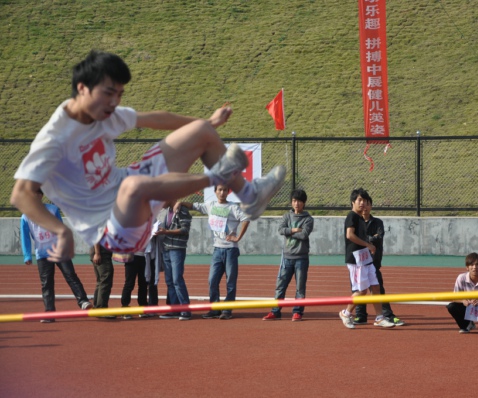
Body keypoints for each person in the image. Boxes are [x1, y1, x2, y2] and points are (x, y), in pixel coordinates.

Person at [11, 50, 285, 265]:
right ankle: (218, 176)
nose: (114, 103)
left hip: (133, 185)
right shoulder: (54, 139)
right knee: (133, 185)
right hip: (114, 228)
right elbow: (20, 194)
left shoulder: (104, 113)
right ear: (82, 88)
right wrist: (61, 231)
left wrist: (209, 120)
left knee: (201, 130)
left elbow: (155, 118)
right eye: (109, 93)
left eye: (119, 95)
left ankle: (249, 196)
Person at [177, 185, 250, 320]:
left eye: (225, 190)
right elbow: (193, 205)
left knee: (231, 282)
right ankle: (215, 308)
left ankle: (227, 310)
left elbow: (246, 219)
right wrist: (181, 202)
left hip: (230, 249)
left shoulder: (233, 207)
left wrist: (238, 237)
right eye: (219, 190)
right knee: (212, 280)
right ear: (215, 191)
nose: (222, 193)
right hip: (217, 249)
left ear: (228, 192)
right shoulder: (210, 205)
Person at [20, 189, 92, 322]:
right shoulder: (26, 216)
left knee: (70, 275)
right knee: (46, 283)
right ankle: (49, 313)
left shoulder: (52, 210)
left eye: (36, 195)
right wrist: (27, 256)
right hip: (42, 254)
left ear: (41, 196)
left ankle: (83, 301)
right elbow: (25, 237)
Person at [338, 188, 395, 329]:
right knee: (362, 290)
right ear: (353, 202)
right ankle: (346, 313)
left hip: (365, 259)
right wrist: (368, 245)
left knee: (375, 287)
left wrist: (369, 248)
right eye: (359, 200)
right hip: (356, 261)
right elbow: (350, 235)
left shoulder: (361, 218)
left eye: (364, 200)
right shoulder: (351, 216)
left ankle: (380, 318)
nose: (362, 203)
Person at [263, 189, 314, 321]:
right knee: (280, 286)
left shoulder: (308, 219)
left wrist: (288, 232)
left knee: (300, 288)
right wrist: (293, 230)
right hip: (286, 258)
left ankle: (297, 312)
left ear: (304, 203)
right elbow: (281, 230)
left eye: (299, 201)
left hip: (301, 258)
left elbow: (304, 235)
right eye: (294, 201)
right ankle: (275, 311)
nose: (296, 204)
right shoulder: (287, 216)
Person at [353, 196, 405, 326]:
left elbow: (378, 237)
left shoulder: (377, 222)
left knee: (378, 289)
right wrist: (369, 239)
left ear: (371, 206)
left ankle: (388, 315)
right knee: (360, 289)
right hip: (359, 263)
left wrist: (364, 239)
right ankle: (360, 316)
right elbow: (353, 238)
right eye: (363, 204)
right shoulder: (355, 222)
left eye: (367, 204)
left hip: (373, 262)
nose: (365, 207)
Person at [156, 201, 192, 321]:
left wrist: (166, 232)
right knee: (170, 281)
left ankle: (185, 310)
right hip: (166, 248)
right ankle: (174, 309)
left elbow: (185, 229)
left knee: (177, 279)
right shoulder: (167, 211)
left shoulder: (182, 210)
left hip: (177, 249)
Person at [120, 253, 149, 319]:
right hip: (131, 257)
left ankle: (143, 306)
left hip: (144, 257)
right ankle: (125, 307)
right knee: (129, 284)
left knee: (143, 284)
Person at [90, 243, 115, 317]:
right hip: (101, 253)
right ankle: (101, 309)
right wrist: (97, 253)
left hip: (100, 252)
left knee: (100, 281)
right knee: (105, 280)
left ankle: (97, 307)